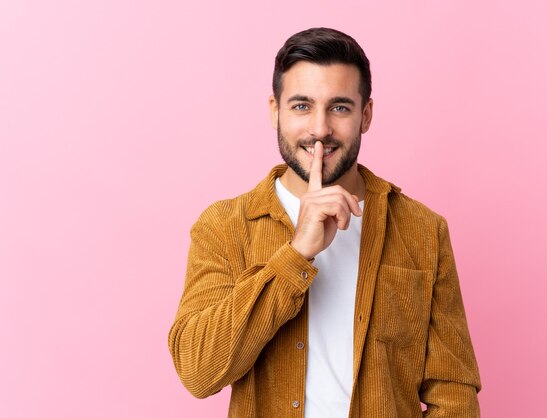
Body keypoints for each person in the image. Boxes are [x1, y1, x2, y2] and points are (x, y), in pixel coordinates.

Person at [168, 27, 481, 417]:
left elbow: (453, 392)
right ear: (275, 110)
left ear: (365, 115)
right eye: (302, 106)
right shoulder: (225, 225)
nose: (320, 129)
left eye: (340, 107)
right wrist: (297, 253)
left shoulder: (422, 229)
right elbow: (199, 371)